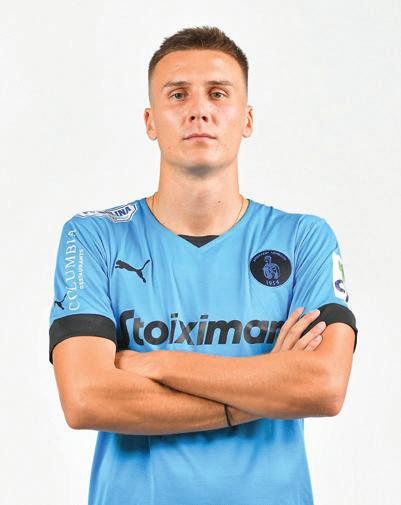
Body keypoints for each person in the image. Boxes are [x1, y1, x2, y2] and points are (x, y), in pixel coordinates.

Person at [48, 25, 358, 505]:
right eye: (178, 94)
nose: (199, 110)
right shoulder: (95, 237)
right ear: (150, 121)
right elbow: (87, 397)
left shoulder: (303, 238)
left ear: (247, 119)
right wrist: (257, 394)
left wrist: (157, 362)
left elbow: (323, 386)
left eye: (218, 93)